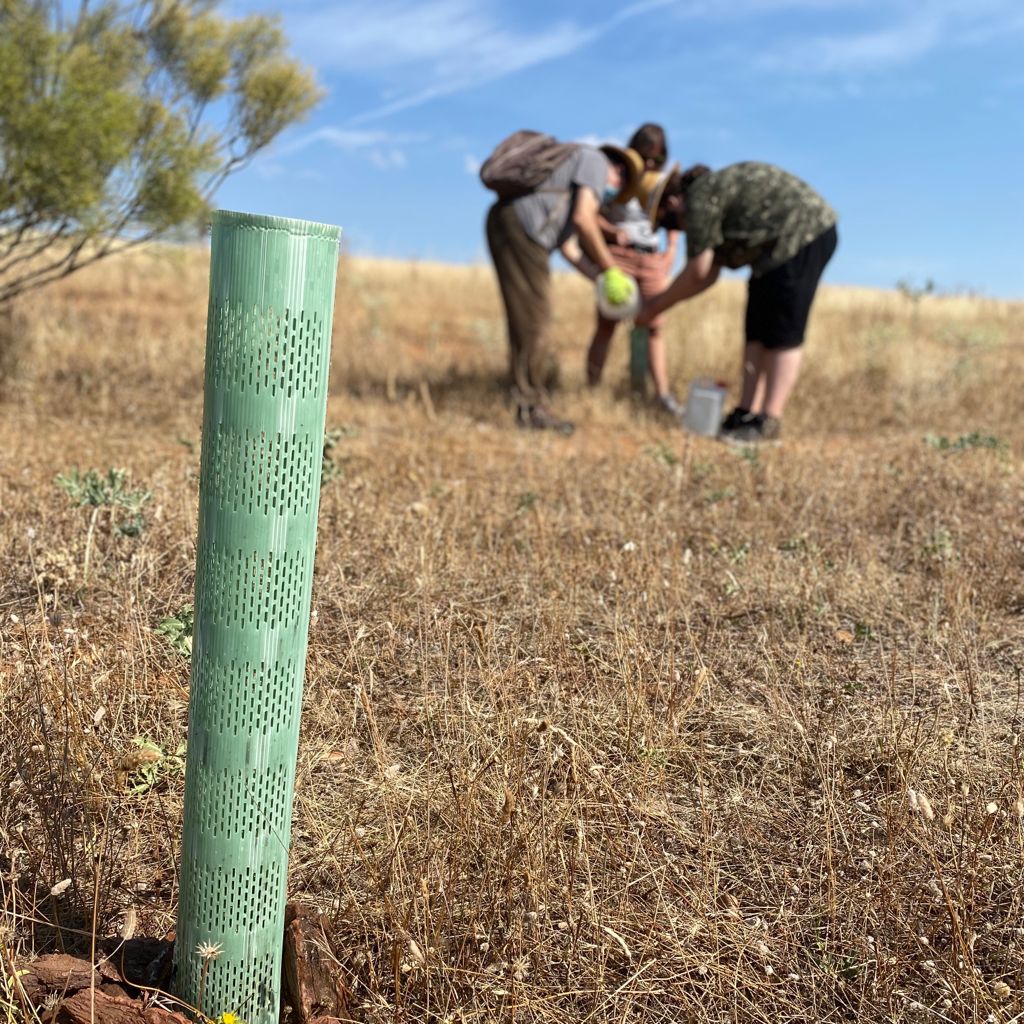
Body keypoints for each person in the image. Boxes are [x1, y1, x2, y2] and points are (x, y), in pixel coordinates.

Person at [637, 161, 838, 442]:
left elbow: (697, 272)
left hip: (802, 233)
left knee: (783, 331)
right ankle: (746, 412)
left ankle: (768, 421)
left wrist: (654, 307)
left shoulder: (699, 198)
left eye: (665, 220)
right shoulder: (709, 200)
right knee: (756, 328)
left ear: (671, 201)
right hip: (768, 253)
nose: (674, 230)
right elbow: (708, 274)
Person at [486, 142, 640, 434]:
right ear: (617, 170)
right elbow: (585, 219)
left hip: (509, 223)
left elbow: (569, 249)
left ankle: (524, 397)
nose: (614, 193)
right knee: (535, 322)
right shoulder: (594, 161)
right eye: (619, 186)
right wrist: (611, 268)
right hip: (523, 228)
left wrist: (600, 278)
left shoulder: (569, 179)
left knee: (526, 320)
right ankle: (531, 408)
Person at [585, 124, 682, 417]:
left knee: (654, 325)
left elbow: (673, 221)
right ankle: (592, 390)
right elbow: (592, 215)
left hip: (651, 256)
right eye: (646, 156)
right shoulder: (618, 174)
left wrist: (670, 253)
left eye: (657, 157)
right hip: (620, 256)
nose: (650, 163)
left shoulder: (663, 181)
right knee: (607, 324)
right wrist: (613, 234)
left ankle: (662, 395)